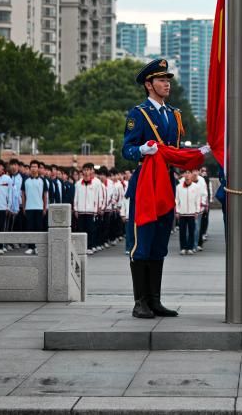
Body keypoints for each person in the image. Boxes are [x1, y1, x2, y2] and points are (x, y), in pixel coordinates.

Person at [123, 58, 207, 319]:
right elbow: (126, 149)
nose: (166, 84)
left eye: (167, 80)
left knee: (159, 242)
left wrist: (199, 153)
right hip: (146, 184)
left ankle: (155, 301)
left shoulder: (173, 114)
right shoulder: (139, 113)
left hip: (166, 183)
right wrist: (141, 149)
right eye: (161, 80)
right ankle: (140, 302)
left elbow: (175, 152)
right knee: (142, 242)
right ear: (149, 85)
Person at [72, 163, 105, 255]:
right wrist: (75, 209)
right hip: (80, 210)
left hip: (91, 211)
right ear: (82, 171)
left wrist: (98, 208)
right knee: (81, 229)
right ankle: (81, 247)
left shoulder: (96, 183)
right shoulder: (78, 184)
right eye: (85, 170)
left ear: (91, 171)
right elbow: (76, 197)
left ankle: (90, 246)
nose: (86, 172)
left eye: (88, 170)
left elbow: (99, 197)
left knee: (90, 229)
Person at [21, 160, 48, 255]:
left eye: (35, 166)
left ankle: (38, 247)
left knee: (39, 228)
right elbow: (23, 195)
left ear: (38, 168)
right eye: (32, 166)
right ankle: (30, 247)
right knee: (29, 228)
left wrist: (45, 208)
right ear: (30, 168)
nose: (33, 168)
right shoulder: (26, 180)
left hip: (39, 208)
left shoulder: (43, 180)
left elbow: (45, 195)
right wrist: (23, 207)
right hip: (29, 208)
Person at [175, 169, 204, 254]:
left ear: (191, 175)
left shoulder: (196, 187)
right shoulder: (179, 187)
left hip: (192, 213)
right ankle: (183, 247)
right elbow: (176, 200)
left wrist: (197, 211)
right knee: (182, 232)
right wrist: (177, 211)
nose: (187, 175)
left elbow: (198, 199)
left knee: (192, 231)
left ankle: (190, 247)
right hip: (182, 213)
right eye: (186, 173)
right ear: (184, 175)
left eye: (189, 173)